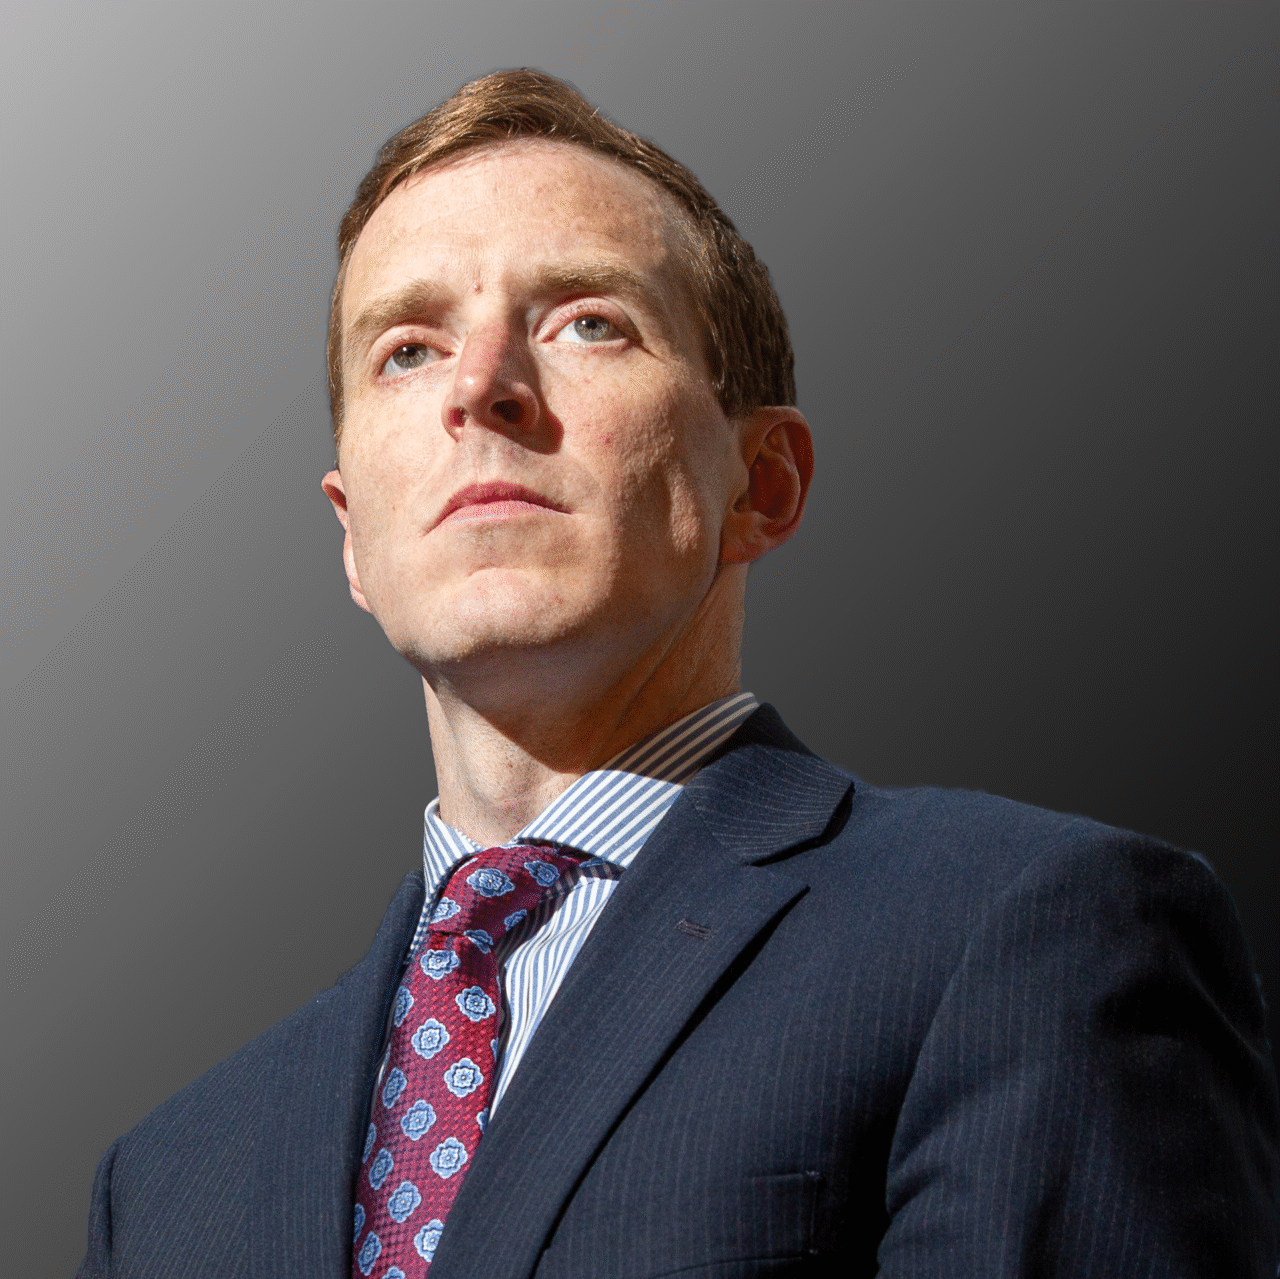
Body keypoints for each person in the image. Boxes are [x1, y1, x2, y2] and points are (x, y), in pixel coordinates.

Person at [77, 69, 1279, 1279]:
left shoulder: (1025, 935)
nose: (478, 386)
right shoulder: (165, 1182)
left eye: (586, 321)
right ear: (353, 536)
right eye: (406, 349)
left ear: (763, 482)